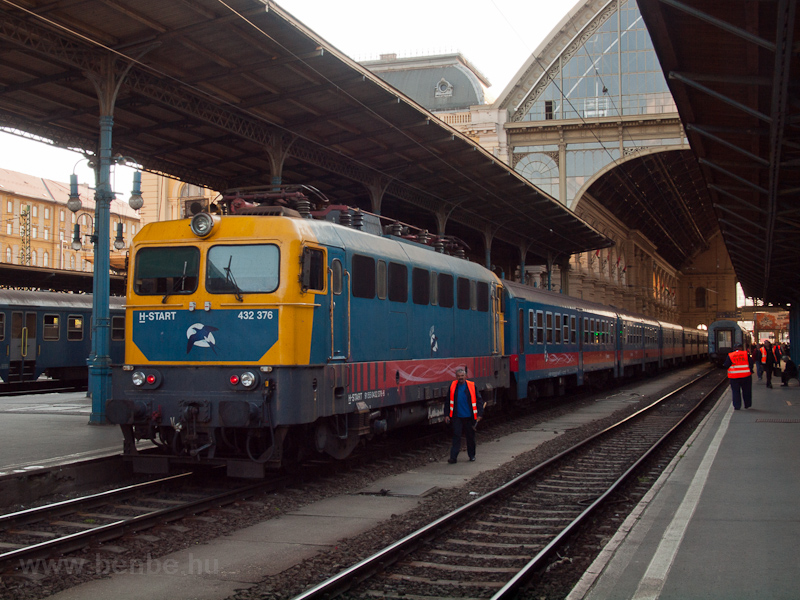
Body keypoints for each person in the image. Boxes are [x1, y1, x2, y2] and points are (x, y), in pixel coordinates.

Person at [445, 367, 483, 463]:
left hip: (469, 417)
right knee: (456, 436)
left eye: (462, 376)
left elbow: (479, 401)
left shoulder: (472, 386)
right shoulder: (453, 386)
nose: (460, 378)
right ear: (456, 377)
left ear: (466, 376)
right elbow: (447, 401)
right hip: (457, 417)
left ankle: (472, 456)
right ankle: (453, 458)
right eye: (458, 376)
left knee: (470, 437)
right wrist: (446, 415)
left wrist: (480, 414)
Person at [723, 343, 753, 410]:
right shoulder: (746, 354)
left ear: (734, 348)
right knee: (746, 391)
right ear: (741, 348)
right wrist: (750, 370)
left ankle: (737, 406)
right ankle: (747, 404)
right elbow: (751, 363)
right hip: (746, 376)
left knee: (735, 391)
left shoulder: (731, 355)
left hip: (734, 377)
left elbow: (726, 365)